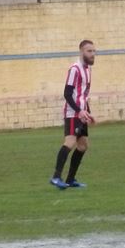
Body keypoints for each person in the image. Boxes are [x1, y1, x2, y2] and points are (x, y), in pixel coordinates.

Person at [49, 40, 96, 190]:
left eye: (94, 51)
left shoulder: (88, 70)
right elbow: (67, 94)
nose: (93, 54)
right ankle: (56, 177)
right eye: (89, 51)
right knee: (69, 143)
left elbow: (83, 95)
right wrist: (78, 111)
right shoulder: (75, 69)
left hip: (81, 114)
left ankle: (70, 179)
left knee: (83, 146)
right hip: (72, 114)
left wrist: (87, 112)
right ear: (82, 52)